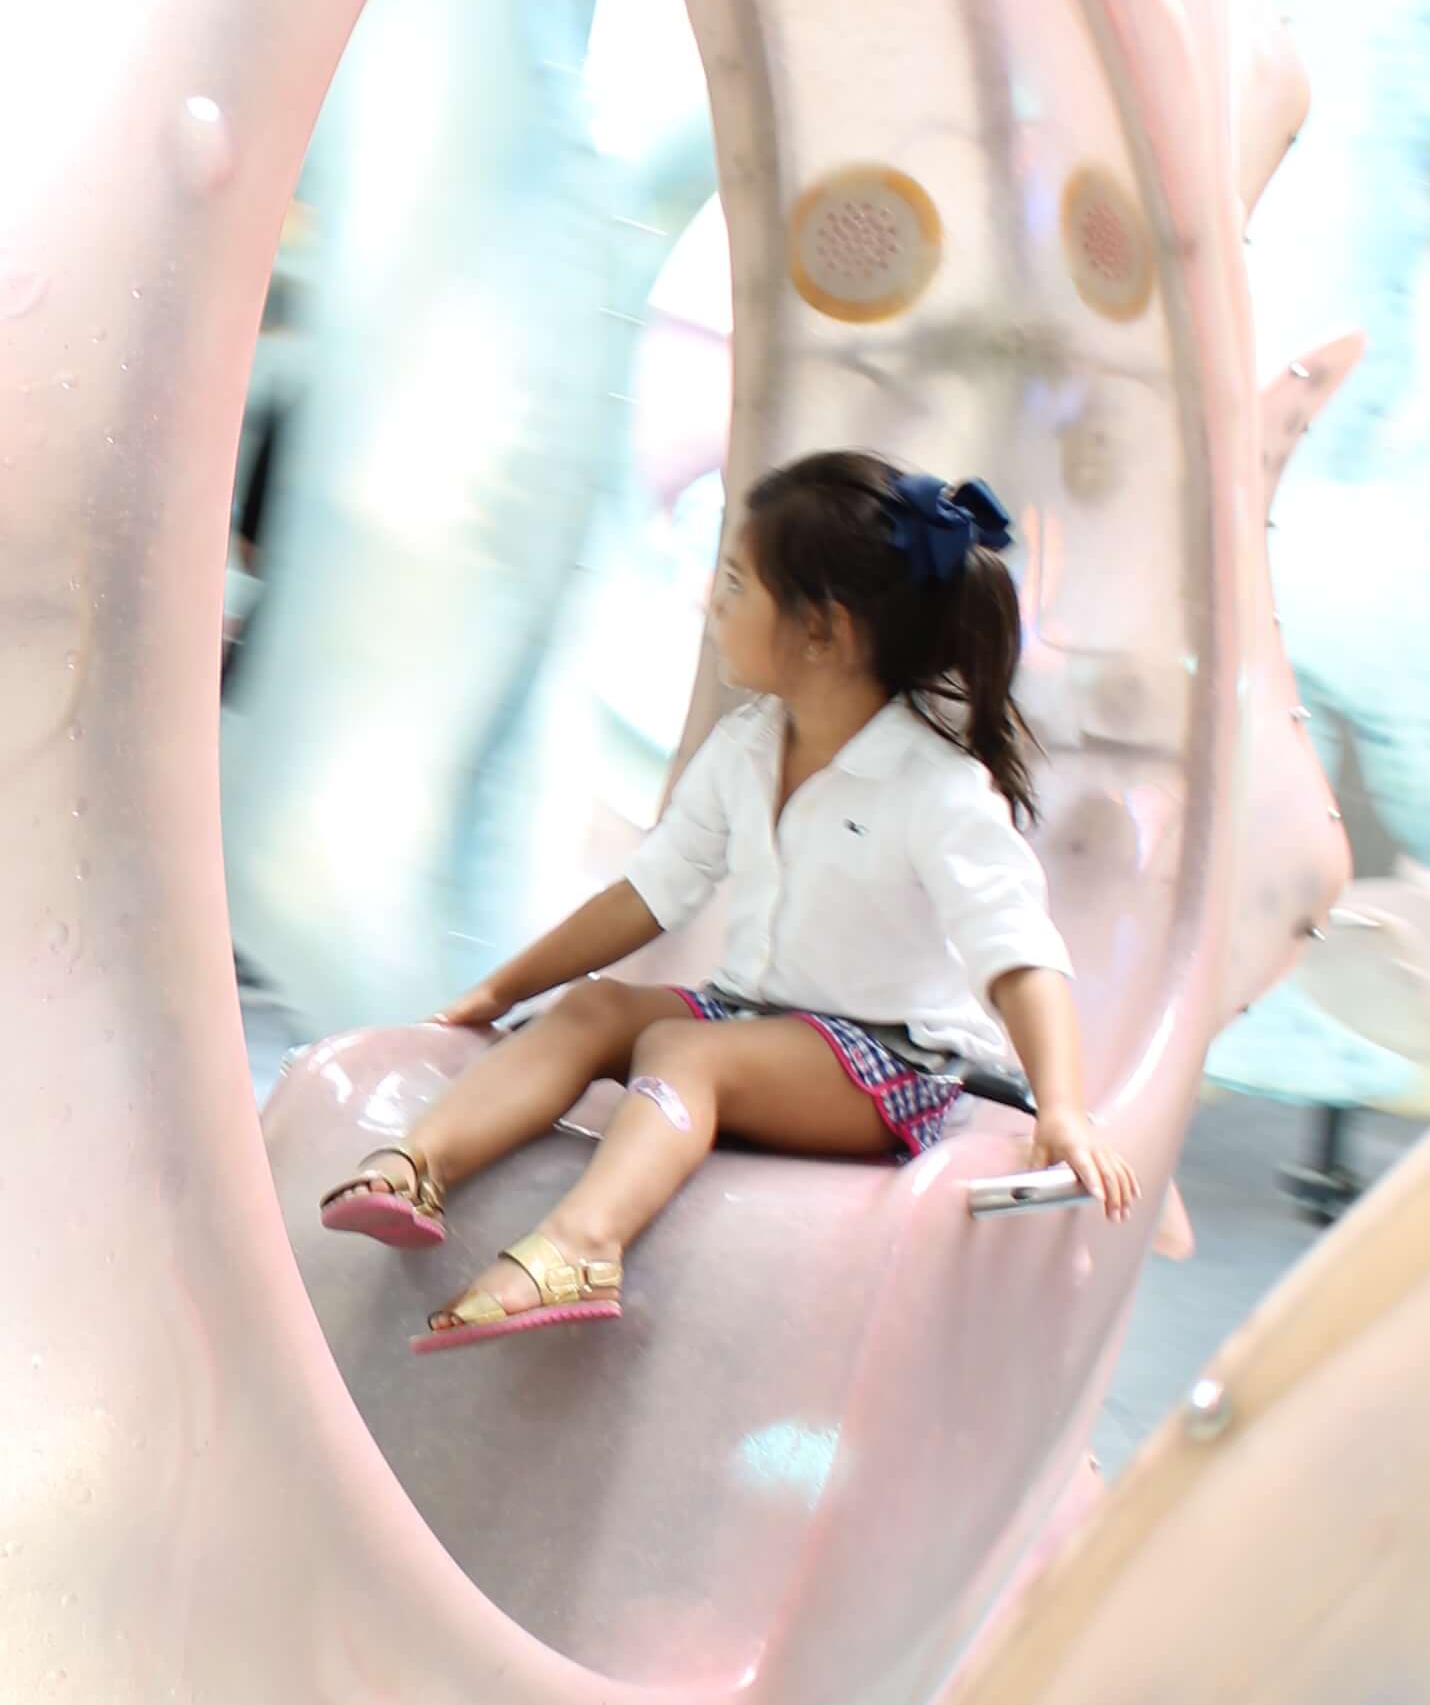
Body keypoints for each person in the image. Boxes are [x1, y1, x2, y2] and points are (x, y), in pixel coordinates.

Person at [319, 450, 1140, 1350]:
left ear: (822, 633)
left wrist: (1062, 1105)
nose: (714, 599)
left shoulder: (937, 790)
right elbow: (646, 893)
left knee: (685, 1050)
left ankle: (584, 1243)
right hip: (756, 1019)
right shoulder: (748, 748)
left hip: (894, 1068)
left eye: (739, 582)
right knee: (596, 1007)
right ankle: (418, 1168)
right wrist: (503, 990)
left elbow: (1019, 955)